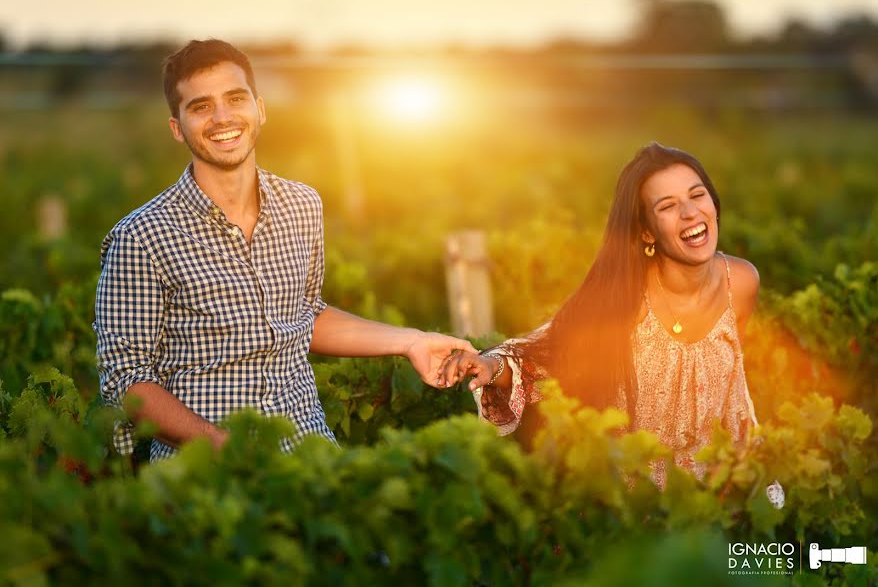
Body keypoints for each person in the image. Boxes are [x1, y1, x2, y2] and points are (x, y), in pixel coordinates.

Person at [93, 39, 475, 462]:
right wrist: (231, 451)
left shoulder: (302, 205)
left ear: (260, 108)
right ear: (177, 128)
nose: (223, 117)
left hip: (311, 453)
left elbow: (306, 314)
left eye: (235, 99)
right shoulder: (141, 237)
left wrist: (412, 341)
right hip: (206, 473)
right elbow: (128, 382)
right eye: (201, 107)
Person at [437, 143, 780, 499]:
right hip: (631, 504)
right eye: (667, 206)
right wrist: (491, 366)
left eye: (697, 195)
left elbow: (732, 387)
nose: (691, 212)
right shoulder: (623, 298)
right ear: (646, 232)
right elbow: (545, 352)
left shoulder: (740, 282)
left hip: (712, 497)